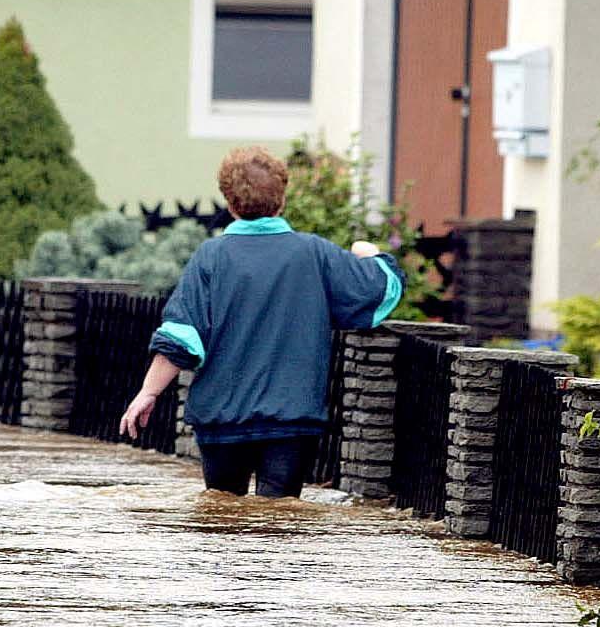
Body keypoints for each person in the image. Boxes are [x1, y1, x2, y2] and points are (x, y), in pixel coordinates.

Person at [119, 146, 404, 498]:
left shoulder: (211, 257)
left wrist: (148, 393)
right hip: (291, 421)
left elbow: (181, 337)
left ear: (229, 201)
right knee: (278, 522)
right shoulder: (313, 253)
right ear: (282, 198)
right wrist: (371, 254)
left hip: (222, 421)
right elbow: (378, 289)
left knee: (223, 518)